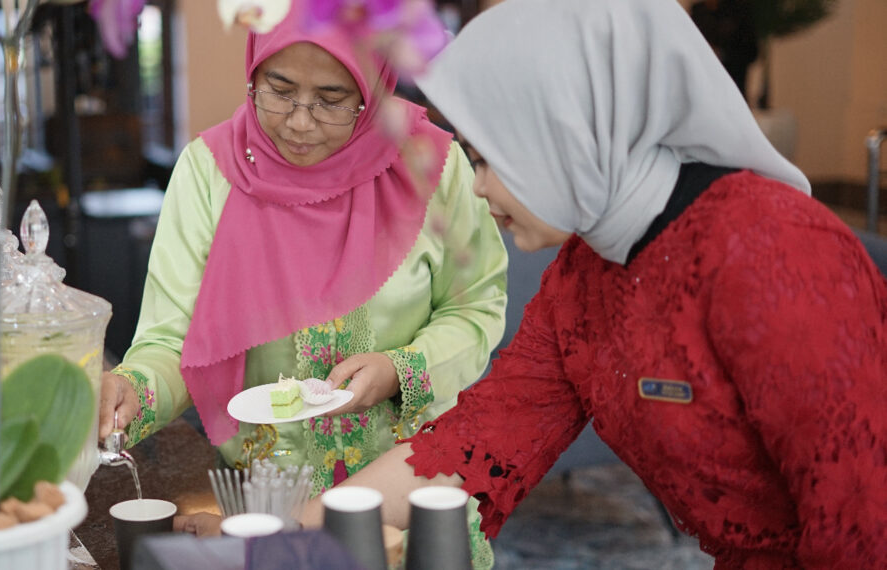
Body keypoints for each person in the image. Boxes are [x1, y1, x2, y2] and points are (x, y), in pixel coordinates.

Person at [290, 0, 887, 567]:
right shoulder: (584, 275)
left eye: (487, 159)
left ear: (565, 133)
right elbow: (482, 440)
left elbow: (862, 525)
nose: (477, 187)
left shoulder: (773, 253)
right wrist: (305, 525)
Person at [97, 1, 508, 564]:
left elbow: (477, 305)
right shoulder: (208, 174)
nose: (299, 121)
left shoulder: (432, 166)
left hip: (408, 503)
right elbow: (173, 343)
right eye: (279, 88)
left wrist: (401, 369)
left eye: (333, 100)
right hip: (265, 508)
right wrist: (130, 392)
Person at [689, 0, 758, 97]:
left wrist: (722, 54)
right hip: (703, 86)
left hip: (733, 85)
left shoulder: (739, 11)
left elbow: (751, 51)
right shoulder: (698, 11)